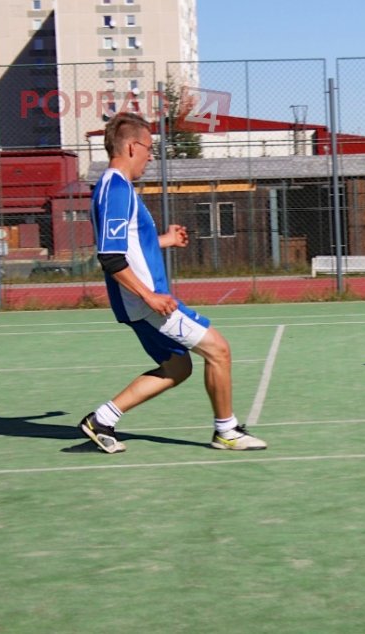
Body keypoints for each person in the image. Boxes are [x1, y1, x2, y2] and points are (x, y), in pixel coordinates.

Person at [78, 112, 267, 453]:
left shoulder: (113, 188)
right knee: (219, 350)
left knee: (177, 368)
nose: (151, 157)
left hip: (139, 302)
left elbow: (129, 245)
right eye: (149, 149)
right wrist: (149, 296)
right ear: (132, 147)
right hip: (146, 303)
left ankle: (101, 420)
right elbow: (110, 257)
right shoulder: (117, 189)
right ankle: (226, 431)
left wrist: (164, 240)